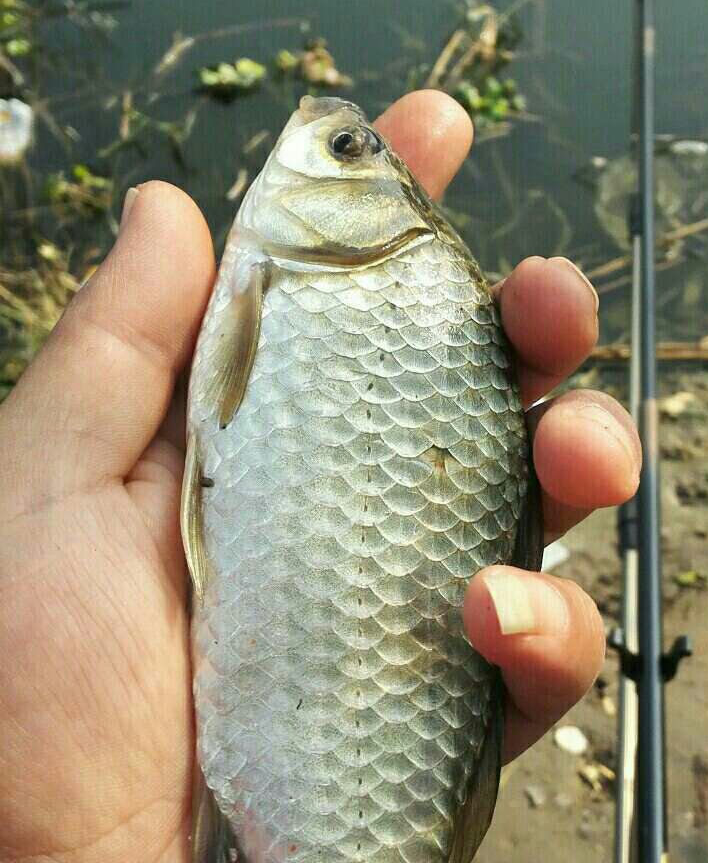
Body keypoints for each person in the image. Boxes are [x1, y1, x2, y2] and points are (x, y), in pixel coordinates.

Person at [0, 90, 642, 862]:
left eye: (345, 150)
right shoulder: (327, 272)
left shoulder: (344, 275)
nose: (322, 128)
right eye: (350, 148)